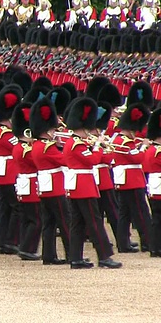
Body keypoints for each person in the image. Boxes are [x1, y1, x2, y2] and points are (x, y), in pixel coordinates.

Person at [62, 98, 121, 269]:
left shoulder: (74, 142)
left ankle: (75, 258)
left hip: (78, 185)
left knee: (78, 223)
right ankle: (104, 256)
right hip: (84, 186)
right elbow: (93, 160)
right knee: (95, 222)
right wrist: (98, 146)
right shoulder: (77, 144)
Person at [30, 98, 68, 265]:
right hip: (55, 187)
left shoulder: (39, 145)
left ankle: (49, 255)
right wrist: (62, 146)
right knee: (65, 222)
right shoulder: (47, 146)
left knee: (49, 223)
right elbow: (65, 160)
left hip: (46, 187)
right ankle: (73, 254)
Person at [112, 103, 152, 253]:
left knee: (125, 214)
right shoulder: (126, 142)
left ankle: (123, 244)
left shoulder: (118, 140)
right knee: (141, 213)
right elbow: (138, 158)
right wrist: (144, 146)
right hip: (132, 180)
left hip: (124, 180)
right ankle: (148, 242)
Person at [0, 86, 22, 254]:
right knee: (16, 207)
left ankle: (3, 242)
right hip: (9, 173)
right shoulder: (5, 133)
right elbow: (18, 148)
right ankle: (11, 241)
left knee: (6, 209)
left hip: (4, 173)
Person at [11, 102, 41, 261]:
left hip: (24, 184)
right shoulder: (27, 149)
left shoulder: (18, 147)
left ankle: (24, 246)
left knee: (26, 218)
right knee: (36, 219)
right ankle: (28, 249)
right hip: (31, 185)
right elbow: (38, 163)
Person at [145, 108, 161, 257]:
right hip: (159, 185)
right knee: (157, 218)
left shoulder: (151, 149)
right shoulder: (157, 151)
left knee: (156, 218)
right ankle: (156, 247)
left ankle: (155, 247)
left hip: (155, 185)